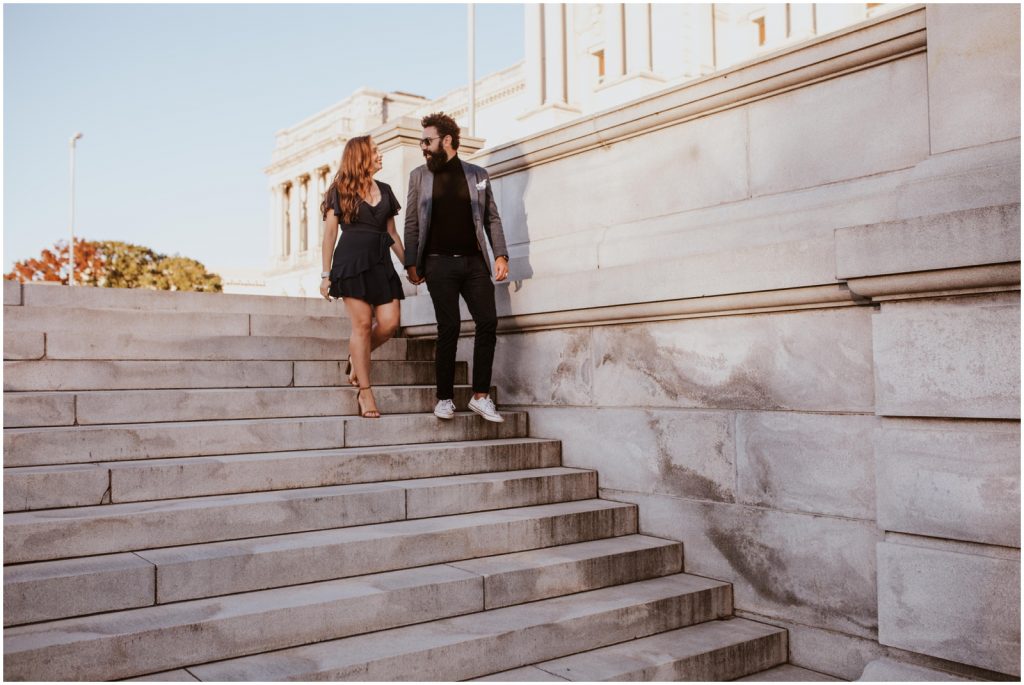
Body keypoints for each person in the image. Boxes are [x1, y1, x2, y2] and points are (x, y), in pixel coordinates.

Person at [403, 112, 509, 423]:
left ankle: (480, 396)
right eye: (422, 141)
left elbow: (492, 217)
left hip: (474, 262)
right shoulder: (419, 176)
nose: (423, 146)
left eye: (427, 140)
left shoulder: (477, 174)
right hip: (437, 264)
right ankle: (444, 398)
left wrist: (500, 254)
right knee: (448, 327)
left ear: (447, 140)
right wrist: (411, 262)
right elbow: (411, 221)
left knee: (487, 322)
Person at [319, 135, 406, 419]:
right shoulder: (339, 190)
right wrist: (325, 274)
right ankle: (365, 392)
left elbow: (392, 234)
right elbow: (330, 234)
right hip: (350, 263)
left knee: (391, 322)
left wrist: (410, 266)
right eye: (376, 151)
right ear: (361, 157)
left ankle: (356, 358)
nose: (381, 155)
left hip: (381, 263)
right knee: (362, 325)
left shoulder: (386, 189)